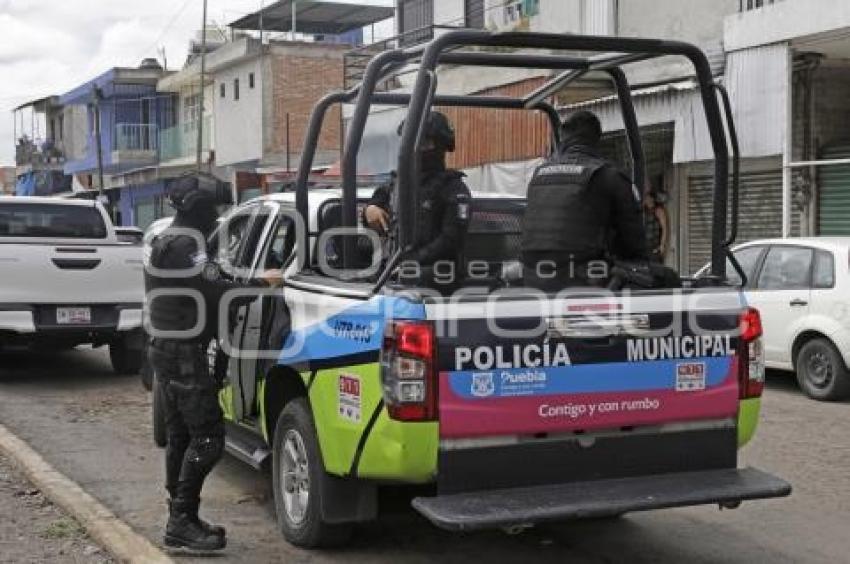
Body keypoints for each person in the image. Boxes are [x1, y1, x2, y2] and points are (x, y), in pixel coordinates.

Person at [145, 174, 282, 552]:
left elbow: (210, 280)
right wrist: (261, 285)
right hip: (180, 352)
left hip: (170, 348)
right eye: (213, 209)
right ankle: (180, 521)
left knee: (181, 437)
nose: (218, 216)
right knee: (207, 437)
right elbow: (213, 292)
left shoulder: (174, 241)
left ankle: (182, 517)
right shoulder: (184, 246)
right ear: (198, 209)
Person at [521, 110, 648, 290]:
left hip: (533, 279)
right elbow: (634, 243)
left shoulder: (539, 174)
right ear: (596, 139)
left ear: (563, 139)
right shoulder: (608, 176)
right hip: (585, 283)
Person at [363, 111, 472, 270]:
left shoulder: (453, 188)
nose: (418, 149)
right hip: (392, 273)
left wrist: (411, 261)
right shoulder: (397, 183)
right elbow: (375, 207)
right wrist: (370, 211)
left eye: (425, 143)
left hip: (436, 276)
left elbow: (451, 240)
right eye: (413, 142)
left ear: (441, 146)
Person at [643, 185, 670, 264]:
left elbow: (664, 228)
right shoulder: (644, 211)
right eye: (645, 198)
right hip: (645, 247)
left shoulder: (658, 210)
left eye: (647, 198)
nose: (646, 200)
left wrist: (662, 245)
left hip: (655, 247)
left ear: (652, 199)